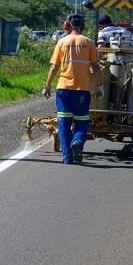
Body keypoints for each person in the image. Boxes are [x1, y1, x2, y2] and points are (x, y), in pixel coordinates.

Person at [42, 14, 103, 164]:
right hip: (82, 90)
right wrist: (100, 86)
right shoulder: (88, 43)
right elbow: (95, 66)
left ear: (68, 26)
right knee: (82, 121)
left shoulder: (62, 42)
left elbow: (54, 67)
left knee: (64, 122)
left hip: (63, 89)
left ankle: (67, 157)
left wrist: (47, 85)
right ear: (82, 26)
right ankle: (77, 141)